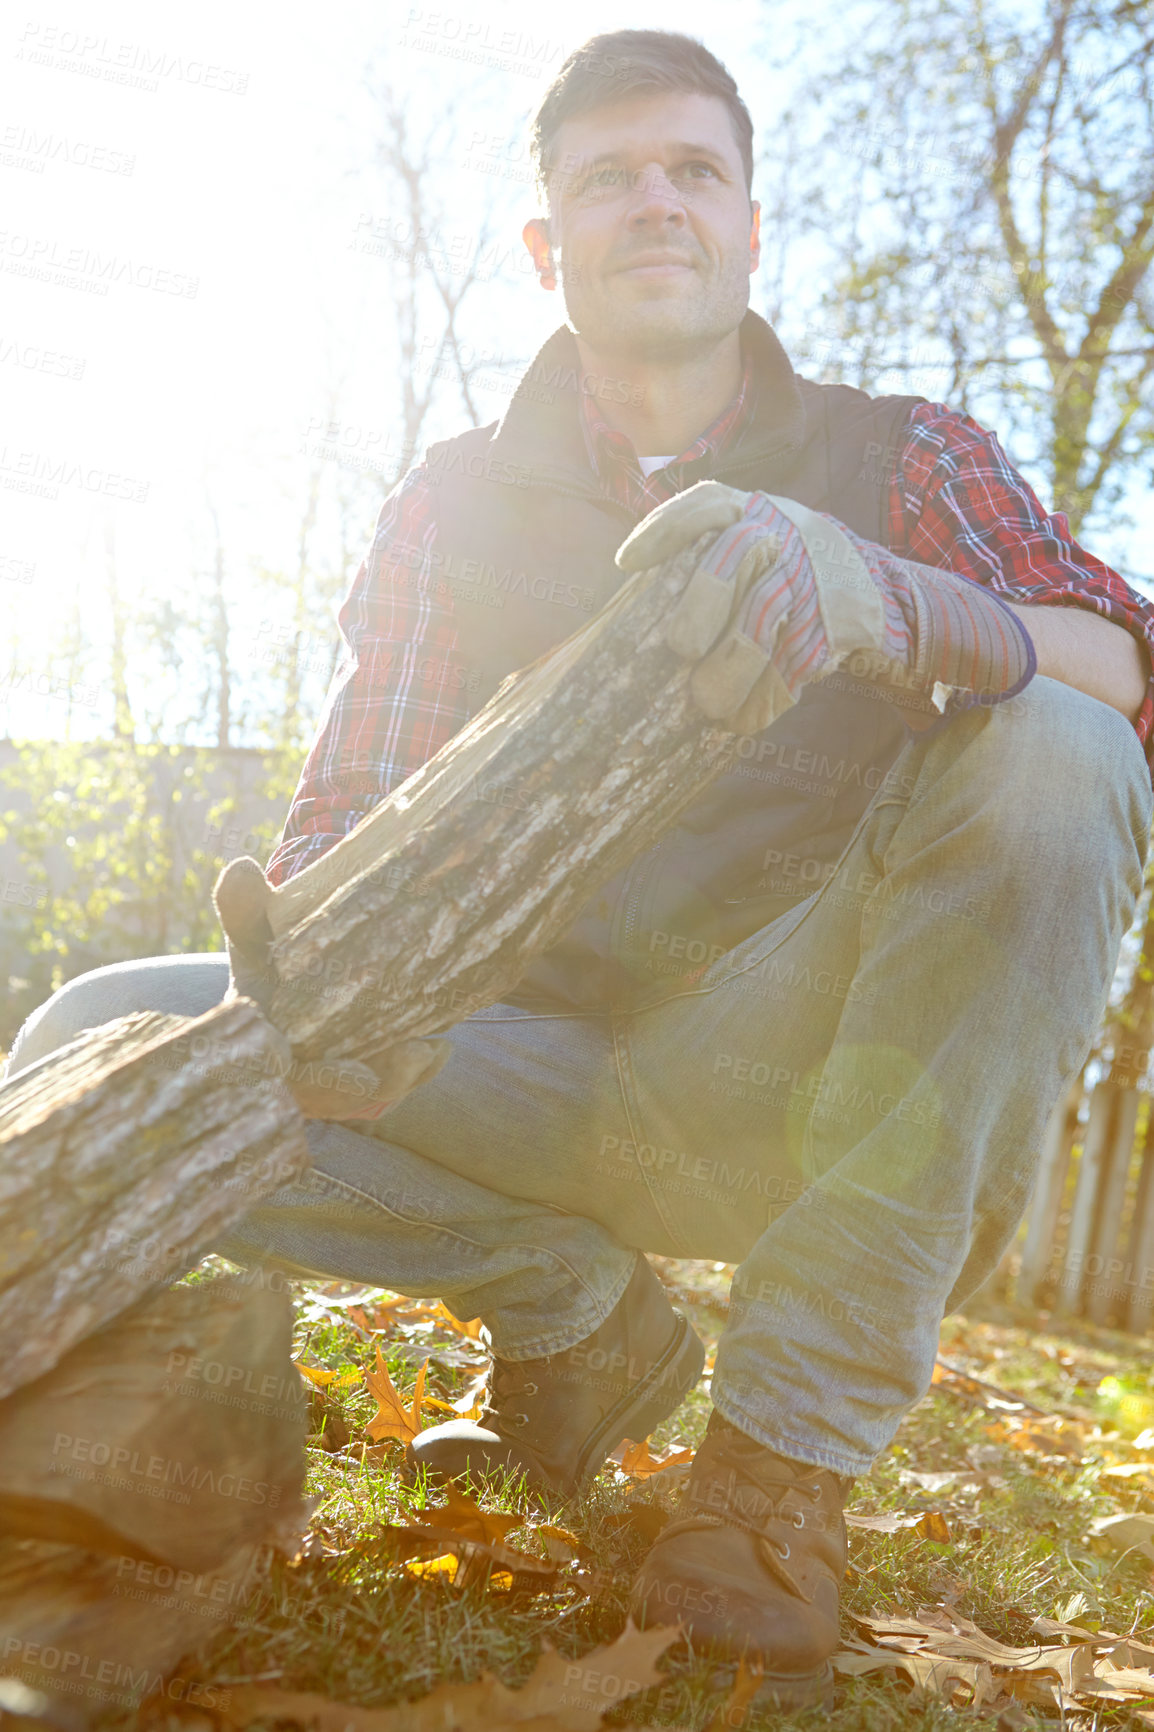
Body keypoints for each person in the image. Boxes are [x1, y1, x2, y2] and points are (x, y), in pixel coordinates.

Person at [7, 29, 1154, 1706]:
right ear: (547, 245)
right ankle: (571, 1316)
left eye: (693, 170)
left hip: (800, 1067)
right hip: (511, 1057)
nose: (655, 204)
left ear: (752, 224)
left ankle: (773, 1479)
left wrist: (902, 604)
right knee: (93, 1026)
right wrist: (332, 961)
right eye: (607, 177)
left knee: (1064, 746)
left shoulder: (904, 454)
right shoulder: (450, 505)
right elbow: (345, 802)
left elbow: (1128, 661)